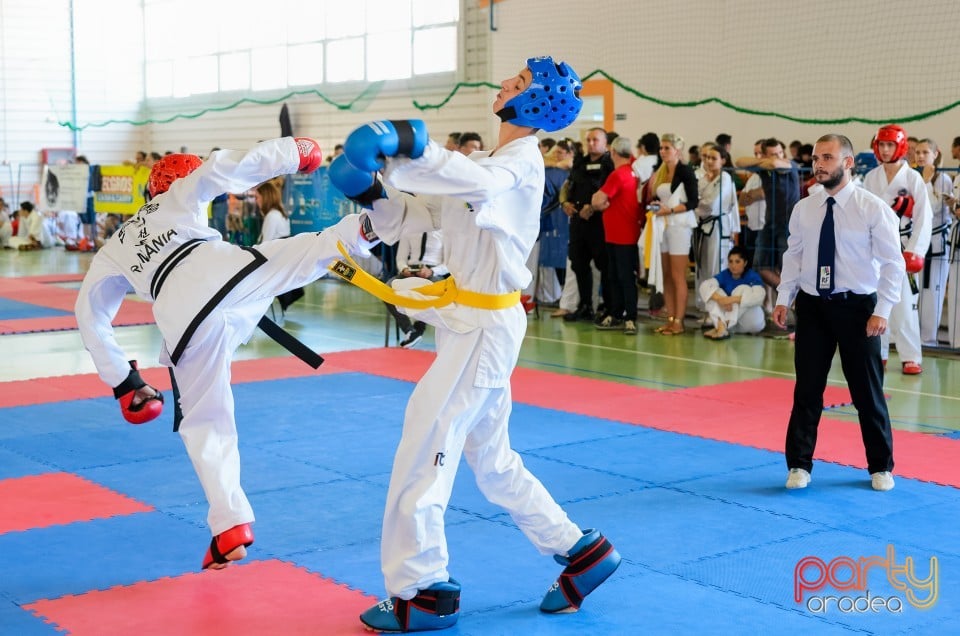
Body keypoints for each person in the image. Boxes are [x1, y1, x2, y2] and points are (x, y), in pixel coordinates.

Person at [329, 55, 620, 633]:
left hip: (482, 330)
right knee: (490, 459)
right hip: (472, 324)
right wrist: (371, 191)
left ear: (535, 104)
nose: (503, 85)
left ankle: (423, 590)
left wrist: (409, 142)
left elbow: (472, 182)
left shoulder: (516, 167)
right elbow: (424, 211)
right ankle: (580, 552)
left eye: (517, 83)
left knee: (425, 442)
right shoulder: (488, 163)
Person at [74, 136, 380, 572]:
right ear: (178, 182)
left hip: (184, 322)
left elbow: (89, 314)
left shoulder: (114, 245)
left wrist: (126, 382)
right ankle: (371, 226)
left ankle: (229, 525)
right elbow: (225, 167)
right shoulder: (180, 196)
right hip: (232, 276)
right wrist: (296, 152)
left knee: (206, 422)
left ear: (149, 191)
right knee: (309, 249)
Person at [772, 134, 904, 492]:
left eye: (827, 158)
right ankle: (799, 464)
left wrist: (883, 310)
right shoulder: (805, 208)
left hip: (858, 308)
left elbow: (894, 264)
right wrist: (785, 296)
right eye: (816, 158)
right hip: (814, 306)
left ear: (847, 162)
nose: (819, 164)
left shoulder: (872, 208)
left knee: (866, 391)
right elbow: (794, 255)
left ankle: (880, 466)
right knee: (807, 390)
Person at [861, 124, 932, 375]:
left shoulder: (912, 177)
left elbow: (924, 215)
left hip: (903, 245)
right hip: (875, 247)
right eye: (882, 144)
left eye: (891, 144)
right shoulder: (871, 177)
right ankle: (879, 352)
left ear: (900, 147)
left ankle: (911, 356)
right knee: (876, 301)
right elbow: (862, 213)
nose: (886, 149)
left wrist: (916, 250)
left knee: (903, 303)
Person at [648, 133, 699, 335]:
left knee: (678, 274)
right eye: (661, 148)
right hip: (662, 225)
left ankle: (679, 319)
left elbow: (693, 201)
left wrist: (669, 210)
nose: (663, 151)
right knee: (666, 274)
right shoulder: (659, 171)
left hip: (679, 225)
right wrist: (656, 207)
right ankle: (670, 317)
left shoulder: (686, 171)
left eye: (667, 148)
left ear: (677, 150)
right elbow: (655, 197)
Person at [562, 127, 613, 323]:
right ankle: (585, 306)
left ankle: (609, 308)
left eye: (595, 140)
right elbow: (569, 185)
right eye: (588, 140)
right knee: (578, 263)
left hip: (598, 221)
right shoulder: (580, 161)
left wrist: (591, 207)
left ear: (604, 143)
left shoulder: (608, 163)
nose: (591, 143)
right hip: (577, 221)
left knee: (604, 266)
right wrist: (565, 202)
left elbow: (609, 190)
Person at [591, 136, 641, 334]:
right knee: (620, 276)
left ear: (612, 152)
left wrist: (603, 204)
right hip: (622, 233)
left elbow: (597, 201)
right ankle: (621, 314)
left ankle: (627, 315)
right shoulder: (632, 172)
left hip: (619, 234)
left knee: (620, 277)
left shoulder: (618, 175)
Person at [914, 138, 953, 346]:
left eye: (925, 152)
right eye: (917, 152)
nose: (920, 156)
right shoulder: (913, 177)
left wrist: (927, 182)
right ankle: (916, 337)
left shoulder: (943, 178)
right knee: (917, 293)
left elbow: (934, 208)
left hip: (937, 245)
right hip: (918, 245)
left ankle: (928, 339)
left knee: (932, 294)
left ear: (935, 154)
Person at [693, 142, 740, 310]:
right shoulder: (704, 178)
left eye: (714, 158)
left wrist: (697, 205)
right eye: (706, 157)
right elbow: (694, 199)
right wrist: (697, 204)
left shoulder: (725, 178)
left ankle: (718, 311)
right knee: (703, 267)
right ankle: (707, 307)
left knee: (716, 267)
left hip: (719, 227)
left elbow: (712, 204)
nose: (709, 161)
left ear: (723, 160)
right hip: (703, 226)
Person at [384, 230, 449, 348]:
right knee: (387, 289)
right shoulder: (409, 229)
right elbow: (400, 258)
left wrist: (432, 271)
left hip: (432, 272)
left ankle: (419, 328)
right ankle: (410, 331)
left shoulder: (444, 232)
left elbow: (448, 264)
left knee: (432, 292)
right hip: (410, 271)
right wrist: (404, 269)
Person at [254, 180, 303, 323]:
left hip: (273, 264)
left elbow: (264, 245)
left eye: (258, 197)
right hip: (282, 262)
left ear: (265, 197)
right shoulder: (281, 213)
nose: (257, 202)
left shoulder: (271, 216)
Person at [698, 245, 765, 339]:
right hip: (733, 325)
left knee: (742, 289)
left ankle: (722, 326)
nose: (733, 265)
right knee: (712, 293)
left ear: (745, 263)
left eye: (737, 262)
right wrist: (720, 299)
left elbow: (759, 298)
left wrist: (730, 300)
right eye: (731, 261)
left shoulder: (752, 276)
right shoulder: (725, 274)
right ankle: (722, 327)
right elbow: (704, 286)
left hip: (751, 322)